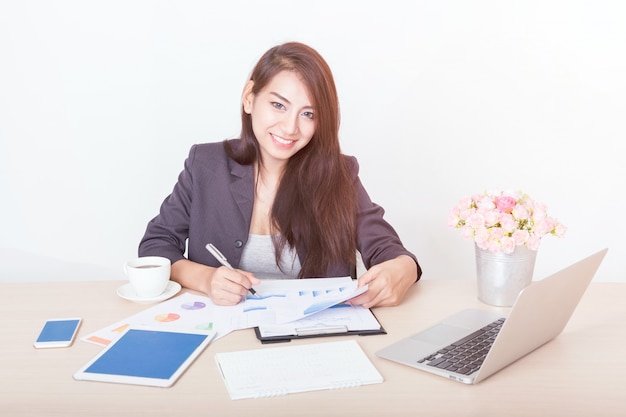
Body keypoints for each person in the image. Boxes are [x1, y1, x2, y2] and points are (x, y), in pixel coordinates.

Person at [139, 42, 421, 308]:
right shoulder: (206, 165)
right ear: (249, 98)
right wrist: (206, 279)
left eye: (308, 114)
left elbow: (390, 251)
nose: (289, 128)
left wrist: (403, 268)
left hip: (316, 338)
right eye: (278, 105)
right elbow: (155, 247)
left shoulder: (339, 174)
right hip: (223, 332)